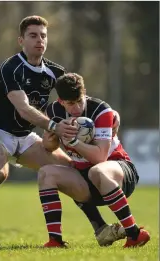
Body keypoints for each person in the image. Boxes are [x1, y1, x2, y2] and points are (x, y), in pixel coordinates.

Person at [0, 16, 121, 248]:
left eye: (43, 35)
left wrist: (110, 113)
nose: (39, 40)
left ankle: (100, 229)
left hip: (25, 138)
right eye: (33, 35)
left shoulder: (55, 71)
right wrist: (52, 126)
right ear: (21, 40)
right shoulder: (10, 68)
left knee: (69, 169)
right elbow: (23, 109)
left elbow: (76, 95)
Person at [39, 72, 150, 248]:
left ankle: (134, 234)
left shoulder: (101, 110)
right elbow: (48, 146)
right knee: (46, 173)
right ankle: (55, 241)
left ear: (85, 94)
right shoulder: (53, 111)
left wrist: (73, 141)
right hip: (87, 181)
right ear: (61, 101)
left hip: (119, 174)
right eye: (70, 104)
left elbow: (100, 157)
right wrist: (53, 137)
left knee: (97, 170)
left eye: (79, 101)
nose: (76, 108)